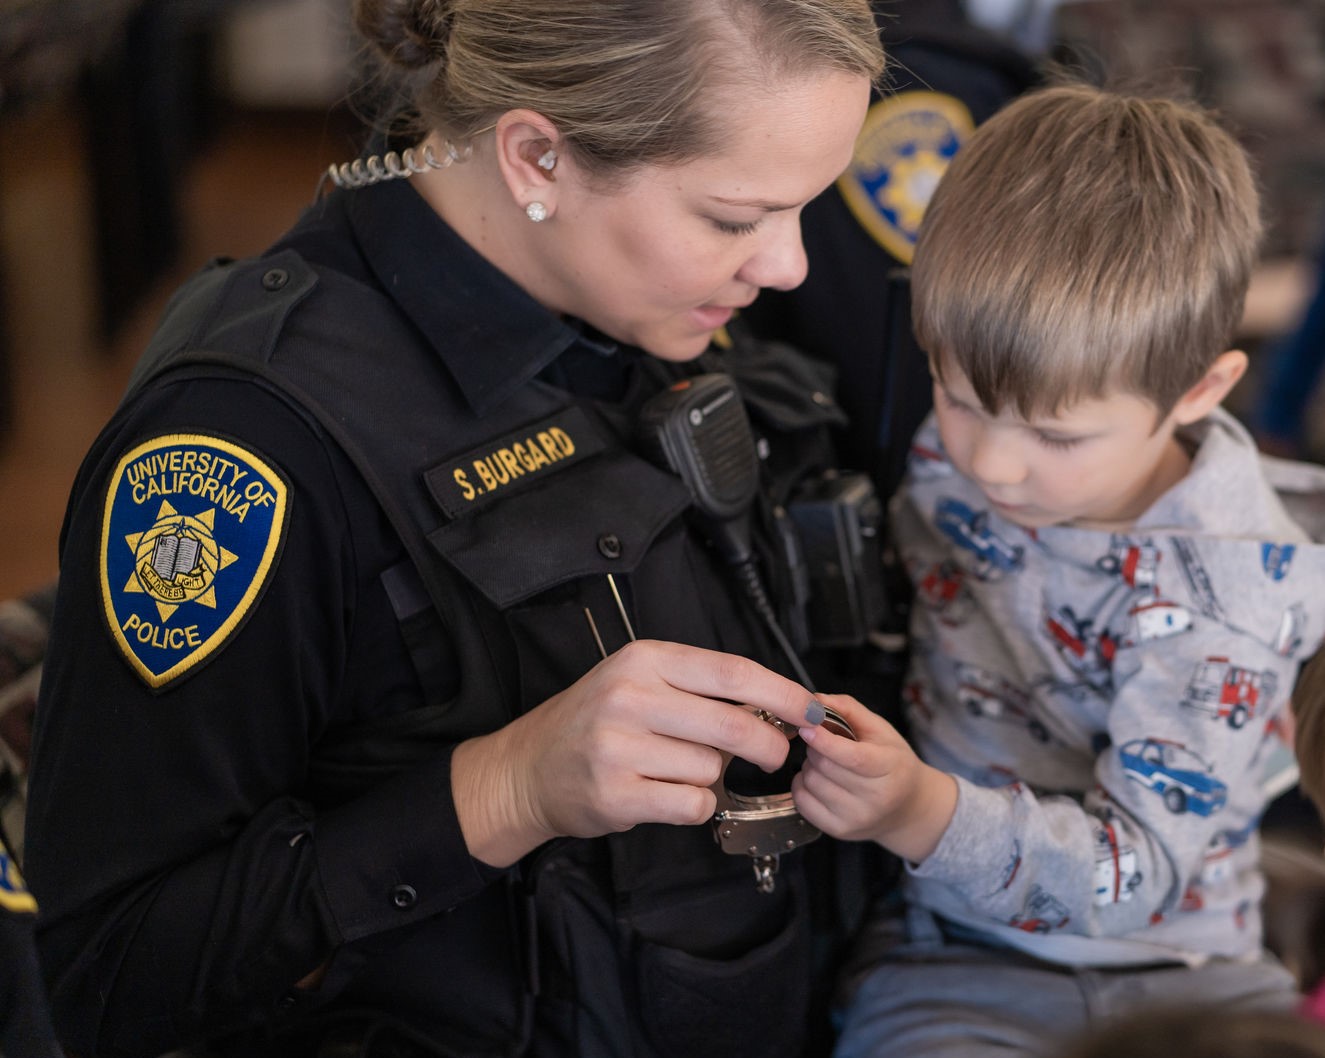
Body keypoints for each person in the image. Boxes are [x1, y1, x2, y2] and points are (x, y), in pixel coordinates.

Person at [22, 3, 889, 1057]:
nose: (788, 266)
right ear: (535, 157)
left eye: (801, 207)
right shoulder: (241, 447)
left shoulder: (652, 298)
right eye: (732, 216)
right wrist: (505, 785)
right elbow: (114, 972)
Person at [781, 80, 1325, 1055]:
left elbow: (1138, 870)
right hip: (952, 950)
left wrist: (916, 808)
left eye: (1053, 433)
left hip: (1183, 974)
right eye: (956, 397)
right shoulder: (983, 442)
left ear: (1197, 389)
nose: (990, 463)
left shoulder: (1225, 597)